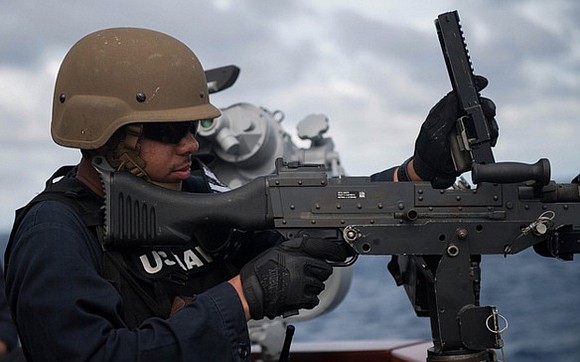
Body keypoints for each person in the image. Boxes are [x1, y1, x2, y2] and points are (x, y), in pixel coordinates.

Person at [4, 27, 497, 362]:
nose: (192, 144)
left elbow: (307, 219)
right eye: (172, 130)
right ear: (112, 135)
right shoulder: (56, 233)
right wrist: (239, 301)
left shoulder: (190, 192)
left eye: (194, 126)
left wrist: (414, 175)